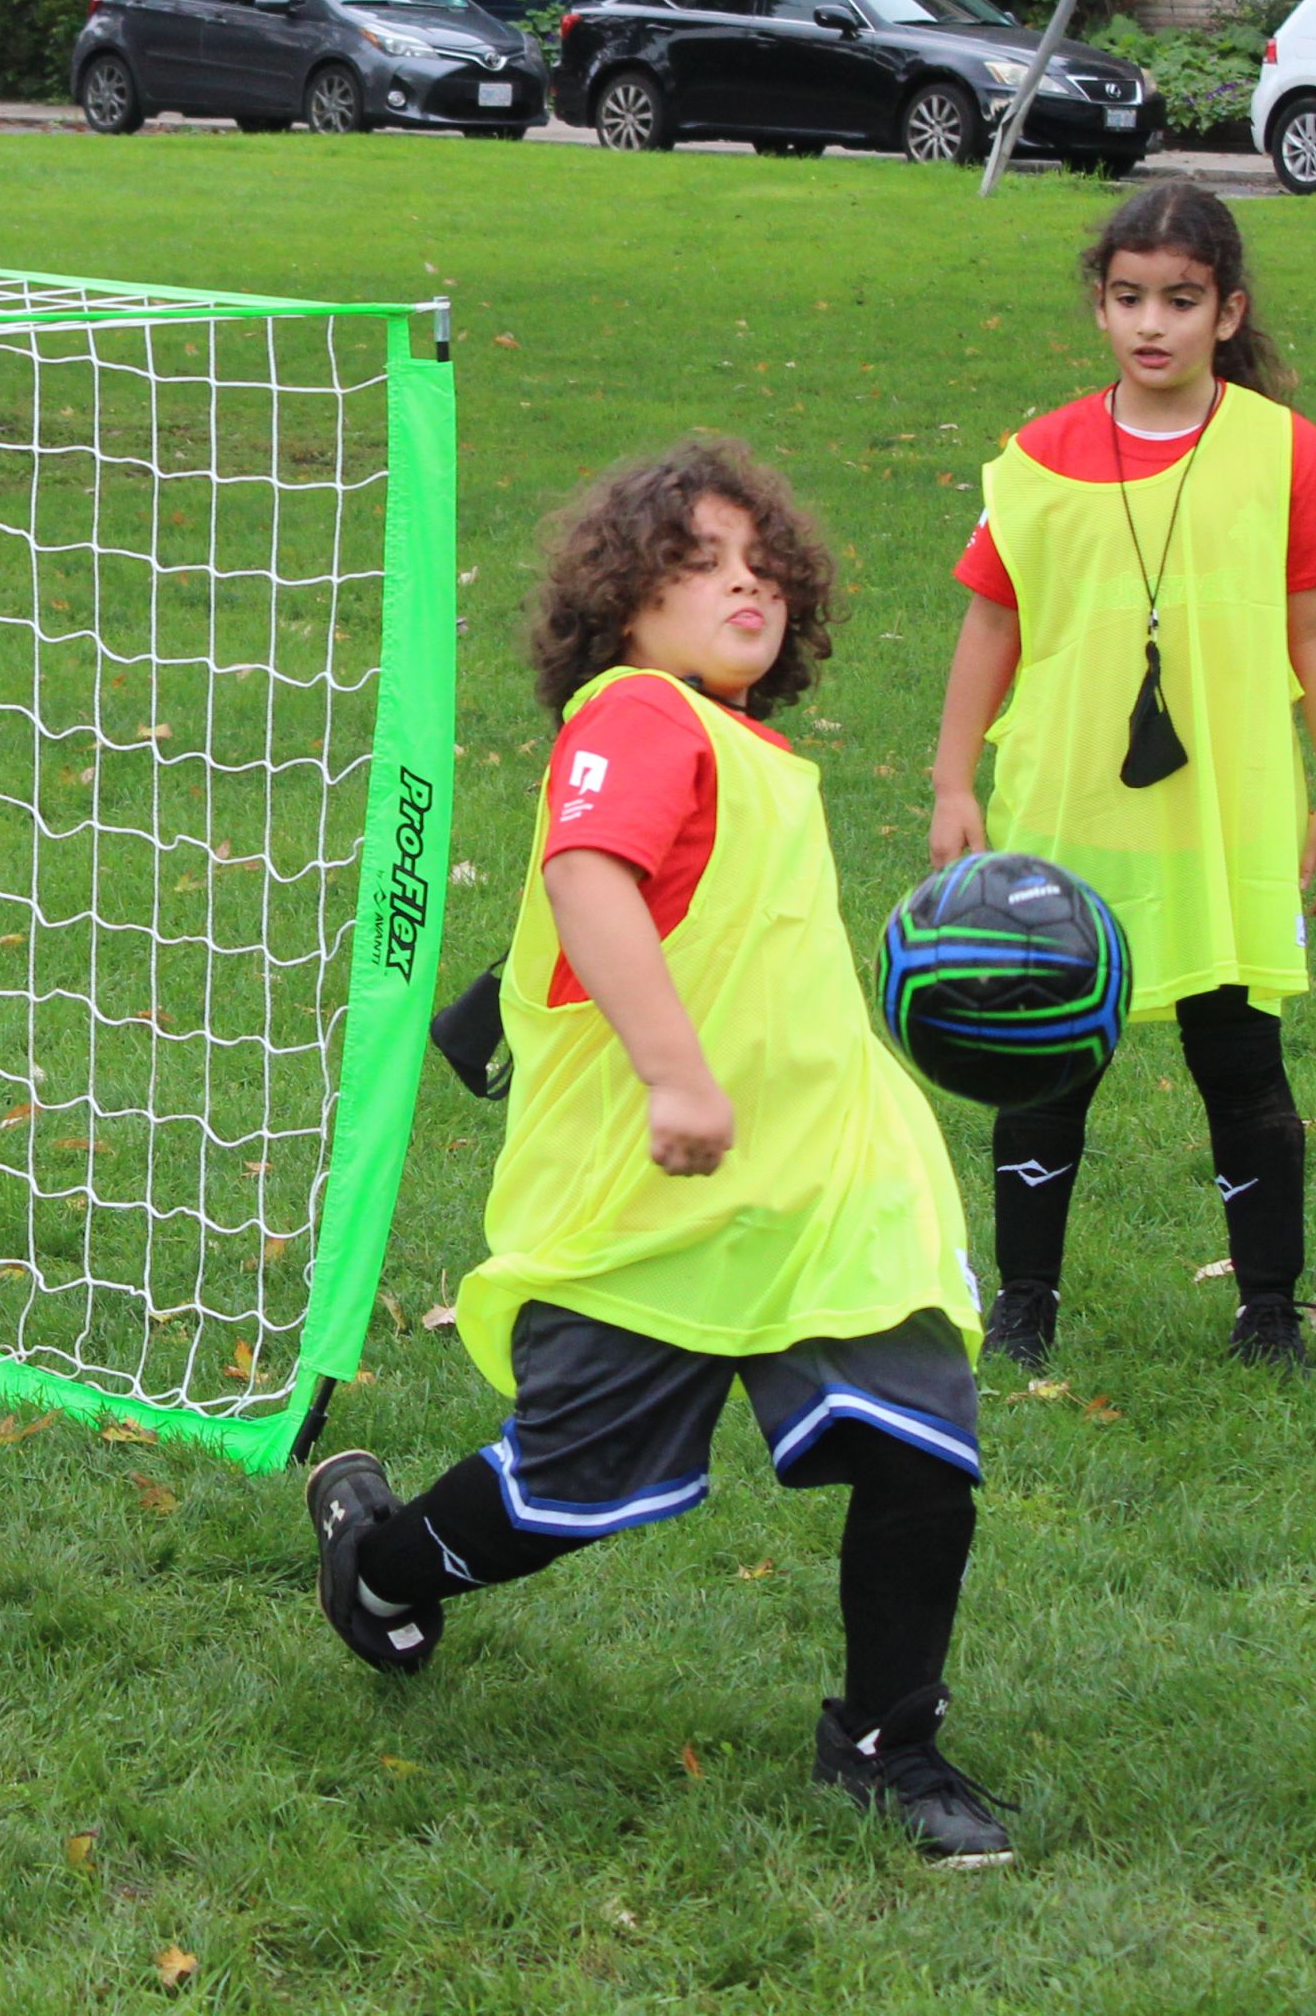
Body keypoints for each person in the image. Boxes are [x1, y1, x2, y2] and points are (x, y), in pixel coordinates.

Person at [307, 438, 1012, 1868]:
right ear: (622, 601)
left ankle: (890, 1738)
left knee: (924, 1445)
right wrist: (673, 1070)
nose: (741, 581)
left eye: (762, 562)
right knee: (568, 1491)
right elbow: (586, 876)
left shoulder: (752, 753)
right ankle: (377, 1555)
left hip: (825, 1188)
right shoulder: (635, 713)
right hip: (658, 1203)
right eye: (698, 561)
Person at [926, 183, 1316, 1373]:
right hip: (1068, 813)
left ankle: (1268, 1306)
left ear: (1227, 312)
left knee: (1239, 1060)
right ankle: (1025, 1302)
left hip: (1224, 816)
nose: (1151, 325)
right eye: (1128, 299)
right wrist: (952, 781)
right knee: (1047, 1063)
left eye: (1180, 300)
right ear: (1100, 306)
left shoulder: (1281, 448)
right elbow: (989, 625)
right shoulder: (1035, 459)